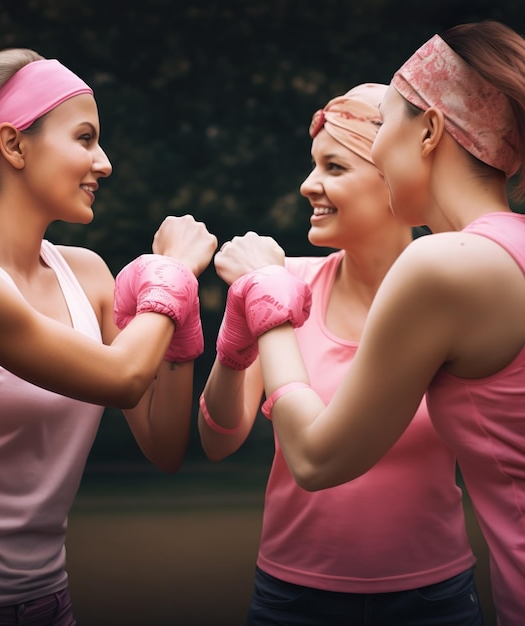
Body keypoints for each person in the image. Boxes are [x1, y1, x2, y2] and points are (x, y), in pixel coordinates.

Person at [214, 20, 525, 626]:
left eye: (387, 125)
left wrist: (268, 300)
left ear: (430, 130)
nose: (378, 151)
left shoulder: (444, 264)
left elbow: (317, 460)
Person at [0, 49, 216, 625]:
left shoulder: (90, 274)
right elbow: (124, 378)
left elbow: (166, 444)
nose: (106, 163)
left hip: (51, 605)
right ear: (14, 146)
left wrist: (178, 318)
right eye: (86, 138)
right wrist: (172, 276)